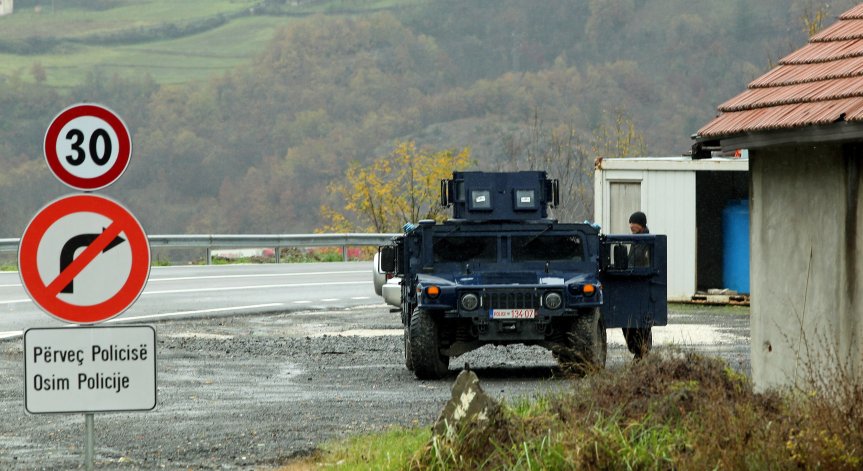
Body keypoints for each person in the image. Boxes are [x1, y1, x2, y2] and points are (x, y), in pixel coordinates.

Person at [624, 211, 652, 358]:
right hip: (635, 282)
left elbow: (645, 262)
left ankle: (642, 351)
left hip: (641, 283)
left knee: (641, 321)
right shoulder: (637, 241)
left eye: (633, 223)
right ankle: (639, 351)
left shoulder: (646, 242)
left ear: (640, 224)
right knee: (633, 321)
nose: (630, 226)